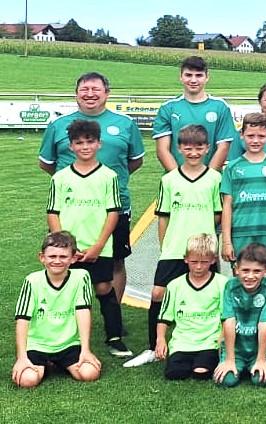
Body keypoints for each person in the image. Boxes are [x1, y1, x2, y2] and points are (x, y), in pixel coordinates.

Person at [39, 72, 144, 325]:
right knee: (65, 259)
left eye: (96, 89)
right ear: (76, 94)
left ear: (107, 93)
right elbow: (47, 163)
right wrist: (78, 184)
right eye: (84, 89)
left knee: (115, 261)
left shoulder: (125, 124)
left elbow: (135, 161)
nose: (90, 94)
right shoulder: (58, 125)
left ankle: (113, 320)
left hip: (115, 207)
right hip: (71, 209)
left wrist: (102, 184)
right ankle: (65, 319)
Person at [126, 125, 221, 368]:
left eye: (199, 147)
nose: (193, 152)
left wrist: (204, 237)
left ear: (207, 148)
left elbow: (218, 213)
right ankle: (152, 347)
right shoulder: (169, 180)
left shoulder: (214, 178)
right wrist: (165, 245)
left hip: (204, 250)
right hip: (174, 248)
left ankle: (209, 344)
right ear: (179, 149)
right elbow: (163, 216)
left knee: (209, 294)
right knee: (158, 293)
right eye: (187, 148)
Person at [46, 119, 127, 357]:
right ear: (71, 146)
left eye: (89, 142)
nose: (85, 147)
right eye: (79, 143)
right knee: (64, 290)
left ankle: (114, 337)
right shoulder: (60, 178)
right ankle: (62, 337)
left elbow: (113, 212)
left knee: (103, 287)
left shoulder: (109, 176)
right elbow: (53, 212)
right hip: (68, 249)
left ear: (99, 144)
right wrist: (64, 246)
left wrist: (98, 245)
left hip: (98, 246)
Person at [12, 231, 103, 388]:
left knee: (90, 373)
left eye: (63, 257)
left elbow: (83, 312)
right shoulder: (32, 281)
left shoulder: (81, 277)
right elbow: (22, 319)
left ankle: (60, 363)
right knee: (27, 380)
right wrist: (21, 357)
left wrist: (86, 350)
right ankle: (45, 365)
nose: (57, 261)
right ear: (42, 257)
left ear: (73, 258)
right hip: (38, 345)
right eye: (52, 256)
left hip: (68, 344)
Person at [154, 234, 225, 381]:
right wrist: (160, 340)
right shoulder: (174, 285)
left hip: (209, 342)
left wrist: (221, 340)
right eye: (194, 262)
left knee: (201, 373)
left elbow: (227, 317)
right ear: (185, 259)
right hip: (182, 342)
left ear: (213, 260)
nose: (198, 266)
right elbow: (164, 318)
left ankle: (205, 360)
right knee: (175, 374)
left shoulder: (222, 283)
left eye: (204, 262)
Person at [220, 113, 266, 264]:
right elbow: (227, 206)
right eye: (250, 136)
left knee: (265, 275)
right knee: (242, 275)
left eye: (261, 136)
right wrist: (226, 242)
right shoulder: (232, 167)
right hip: (240, 233)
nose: (255, 141)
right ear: (241, 135)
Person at [155, 56, 238, 171]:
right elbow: (162, 149)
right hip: (176, 178)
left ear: (207, 77)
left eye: (199, 75)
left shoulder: (220, 107)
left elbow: (223, 147)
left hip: (211, 178)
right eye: (188, 75)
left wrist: (207, 177)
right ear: (181, 77)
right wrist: (179, 177)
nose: (193, 80)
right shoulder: (168, 108)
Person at [215, 243, 266, 388]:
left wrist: (261, 359)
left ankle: (260, 361)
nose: (250, 276)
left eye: (257, 271)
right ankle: (236, 362)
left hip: (261, 347)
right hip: (238, 347)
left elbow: (265, 323)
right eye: (245, 270)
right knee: (226, 380)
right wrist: (230, 359)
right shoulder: (230, 286)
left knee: (261, 379)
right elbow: (229, 321)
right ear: (236, 269)